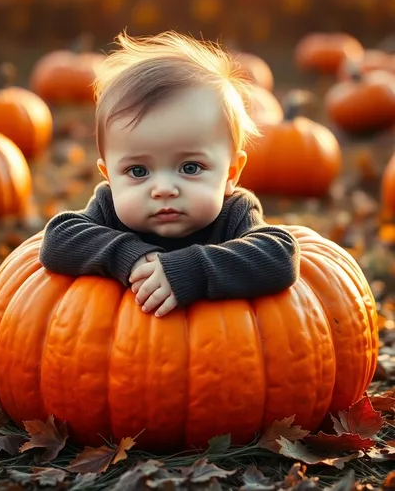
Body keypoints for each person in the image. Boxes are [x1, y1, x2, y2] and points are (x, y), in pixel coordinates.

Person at [39, 31, 300, 317]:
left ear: (231, 173)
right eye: (138, 171)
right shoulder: (109, 208)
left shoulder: (234, 213)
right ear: (109, 178)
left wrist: (190, 269)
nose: (163, 188)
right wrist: (129, 256)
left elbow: (280, 256)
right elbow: (57, 239)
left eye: (190, 168)